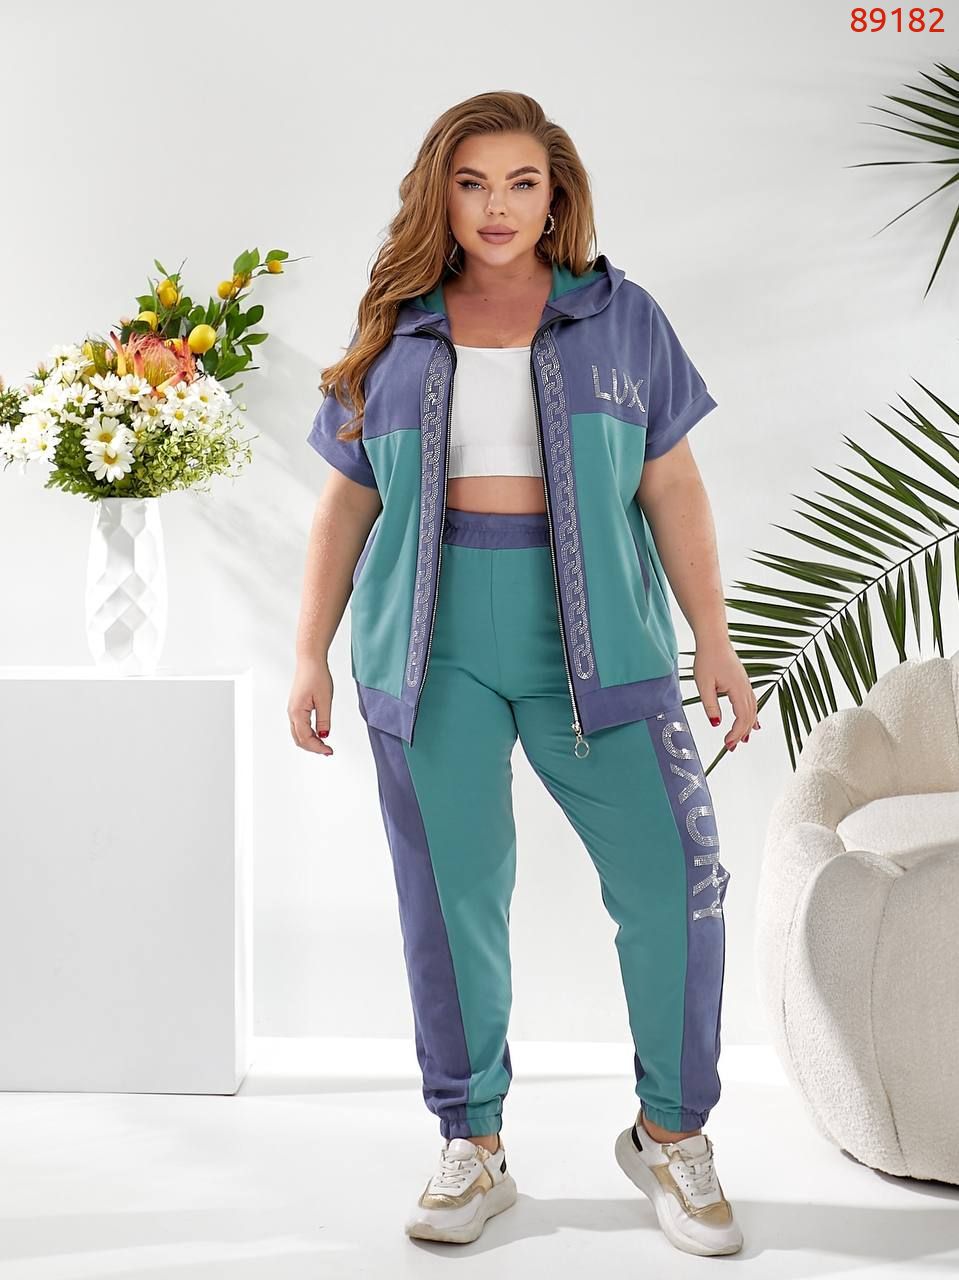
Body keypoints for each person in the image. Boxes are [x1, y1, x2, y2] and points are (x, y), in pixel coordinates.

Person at [289, 90, 756, 1258]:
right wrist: (306, 650)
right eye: (471, 183)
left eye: (520, 183)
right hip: (426, 639)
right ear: (438, 195)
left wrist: (712, 634)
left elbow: (671, 483)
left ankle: (668, 1133)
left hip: (596, 638)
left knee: (674, 878)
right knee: (452, 898)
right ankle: (473, 1140)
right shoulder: (396, 325)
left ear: (556, 197)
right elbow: (344, 504)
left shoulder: (619, 316)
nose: (495, 206)